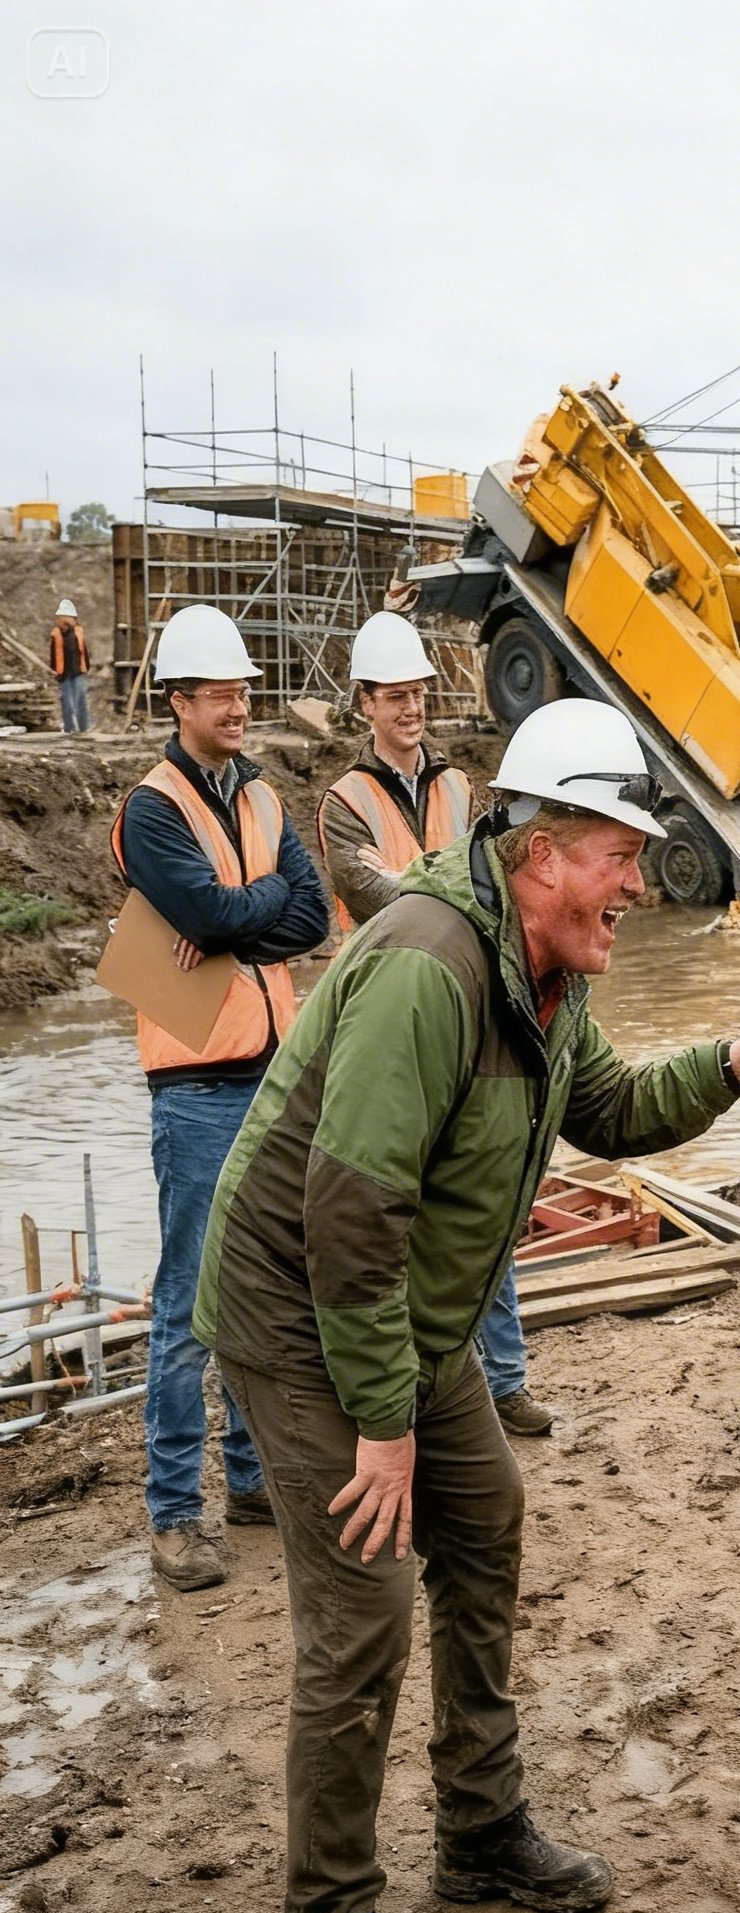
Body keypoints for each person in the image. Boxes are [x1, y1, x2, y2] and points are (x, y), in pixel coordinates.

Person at [193, 695, 740, 1913]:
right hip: (300, 1310)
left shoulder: (543, 977)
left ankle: (482, 1835)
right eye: (620, 854)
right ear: (545, 850)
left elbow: (600, 1110)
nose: (638, 885)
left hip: (394, 1315)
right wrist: (383, 1425)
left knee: (483, 1519)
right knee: (363, 1613)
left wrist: (728, 1062)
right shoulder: (433, 966)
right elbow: (349, 1213)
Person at [111, 604, 331, 1593]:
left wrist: (236, 927)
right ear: (180, 699)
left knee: (264, 1290)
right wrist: (248, 916)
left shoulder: (264, 795)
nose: (240, 704)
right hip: (195, 1079)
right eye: (222, 692)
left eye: (245, 689)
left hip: (271, 1070)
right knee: (190, 1305)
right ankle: (172, 1512)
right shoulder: (151, 808)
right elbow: (200, 908)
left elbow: (314, 912)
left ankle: (248, 1482)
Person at [315, 612, 551, 1438]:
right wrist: (448, 894)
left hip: (478, 1003)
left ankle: (507, 1378)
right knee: (407, 1204)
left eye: (417, 692)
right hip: (394, 1013)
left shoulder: (458, 787)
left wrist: (423, 886)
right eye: (394, 695)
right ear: (367, 705)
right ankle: (420, 1390)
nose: (410, 707)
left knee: (483, 1197)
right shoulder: (344, 802)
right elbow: (365, 895)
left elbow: (501, 875)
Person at [49, 597, 90, 734]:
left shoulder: (78, 633)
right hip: (64, 674)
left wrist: (86, 667)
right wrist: (54, 670)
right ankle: (69, 729)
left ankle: (83, 729)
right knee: (67, 703)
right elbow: (53, 654)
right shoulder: (56, 635)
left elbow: (84, 651)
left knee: (80, 702)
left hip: (77, 672)